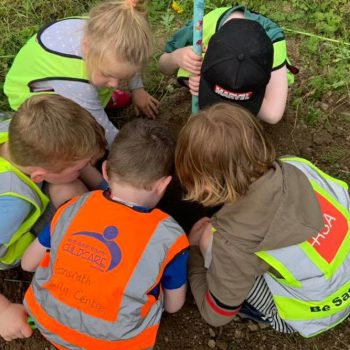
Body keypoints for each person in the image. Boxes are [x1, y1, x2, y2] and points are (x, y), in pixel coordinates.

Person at [175, 102, 350, 337]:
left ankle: (265, 312)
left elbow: (215, 315)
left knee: (208, 239)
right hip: (341, 277)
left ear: (205, 184)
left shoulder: (234, 242)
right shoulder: (296, 166)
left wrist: (195, 254)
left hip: (312, 313)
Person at [22, 118, 189, 349]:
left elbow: (28, 264)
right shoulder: (171, 237)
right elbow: (173, 306)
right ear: (164, 184)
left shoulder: (73, 206)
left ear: (105, 170)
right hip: (117, 343)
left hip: (46, 320)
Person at [0, 94, 106, 342]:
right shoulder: (12, 205)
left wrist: (107, 188)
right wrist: (3, 310)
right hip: (14, 243)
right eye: (79, 167)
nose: (83, 170)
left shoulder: (13, 129)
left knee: (68, 189)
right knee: (71, 194)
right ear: (39, 176)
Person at [4, 0, 160, 147]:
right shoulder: (76, 79)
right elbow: (102, 129)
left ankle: (95, 99)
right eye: (108, 75)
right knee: (78, 133)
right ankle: (89, 104)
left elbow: (132, 57)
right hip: (34, 102)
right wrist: (127, 153)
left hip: (71, 80)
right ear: (86, 46)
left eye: (122, 77)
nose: (115, 84)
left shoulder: (107, 28)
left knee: (97, 83)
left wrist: (137, 89)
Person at [159, 5, 298, 124]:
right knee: (188, 67)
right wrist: (175, 57)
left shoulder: (273, 43)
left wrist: (235, 98)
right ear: (206, 50)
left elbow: (273, 115)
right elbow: (163, 65)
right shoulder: (202, 27)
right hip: (201, 66)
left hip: (262, 73)